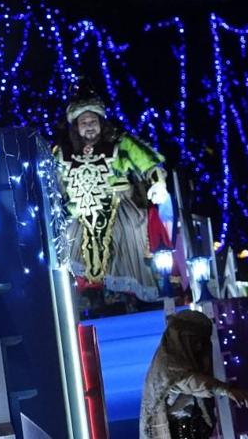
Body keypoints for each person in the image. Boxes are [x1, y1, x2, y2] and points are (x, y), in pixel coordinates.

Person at [53, 87, 168, 308]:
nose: (89, 126)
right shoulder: (62, 153)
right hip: (79, 208)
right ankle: (86, 296)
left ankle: (127, 295)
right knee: (68, 239)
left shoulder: (120, 144)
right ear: (76, 126)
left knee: (124, 231)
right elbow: (52, 182)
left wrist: (158, 183)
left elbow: (148, 162)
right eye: (84, 122)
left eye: (93, 121)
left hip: (118, 203)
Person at [139, 309, 248, 439]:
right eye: (194, 341)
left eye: (202, 342)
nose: (199, 347)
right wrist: (224, 389)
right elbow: (188, 381)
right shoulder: (167, 363)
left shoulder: (181, 361)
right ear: (182, 338)